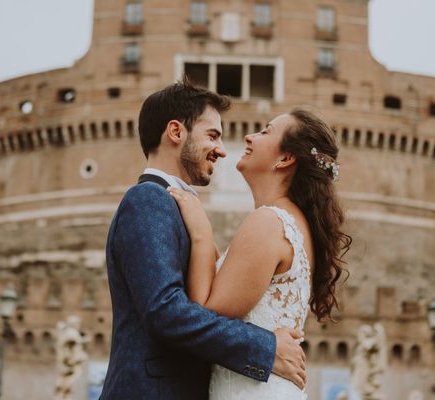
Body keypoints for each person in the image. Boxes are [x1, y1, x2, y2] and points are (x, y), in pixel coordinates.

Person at [101, 80, 307, 400]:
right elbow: (165, 311)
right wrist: (265, 347)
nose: (222, 150)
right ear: (175, 132)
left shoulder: (177, 207)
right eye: (212, 135)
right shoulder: (147, 200)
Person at [168, 108, 352, 399]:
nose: (249, 136)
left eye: (265, 131)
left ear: (285, 159)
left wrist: (202, 232)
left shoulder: (269, 221)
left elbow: (204, 317)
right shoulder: (291, 223)